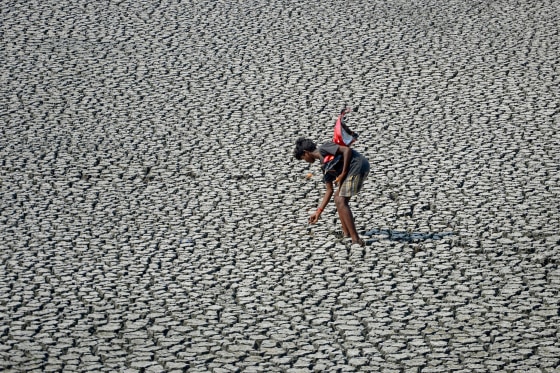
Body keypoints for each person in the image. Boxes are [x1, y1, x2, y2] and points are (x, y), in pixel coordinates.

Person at [294, 136, 370, 246]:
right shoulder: (324, 166)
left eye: (302, 158)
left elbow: (346, 150)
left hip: (358, 165)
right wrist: (318, 212)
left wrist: (343, 173)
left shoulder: (323, 149)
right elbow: (329, 190)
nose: (305, 161)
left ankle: (356, 239)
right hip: (352, 171)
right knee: (337, 197)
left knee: (341, 200)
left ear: (305, 153)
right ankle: (346, 233)